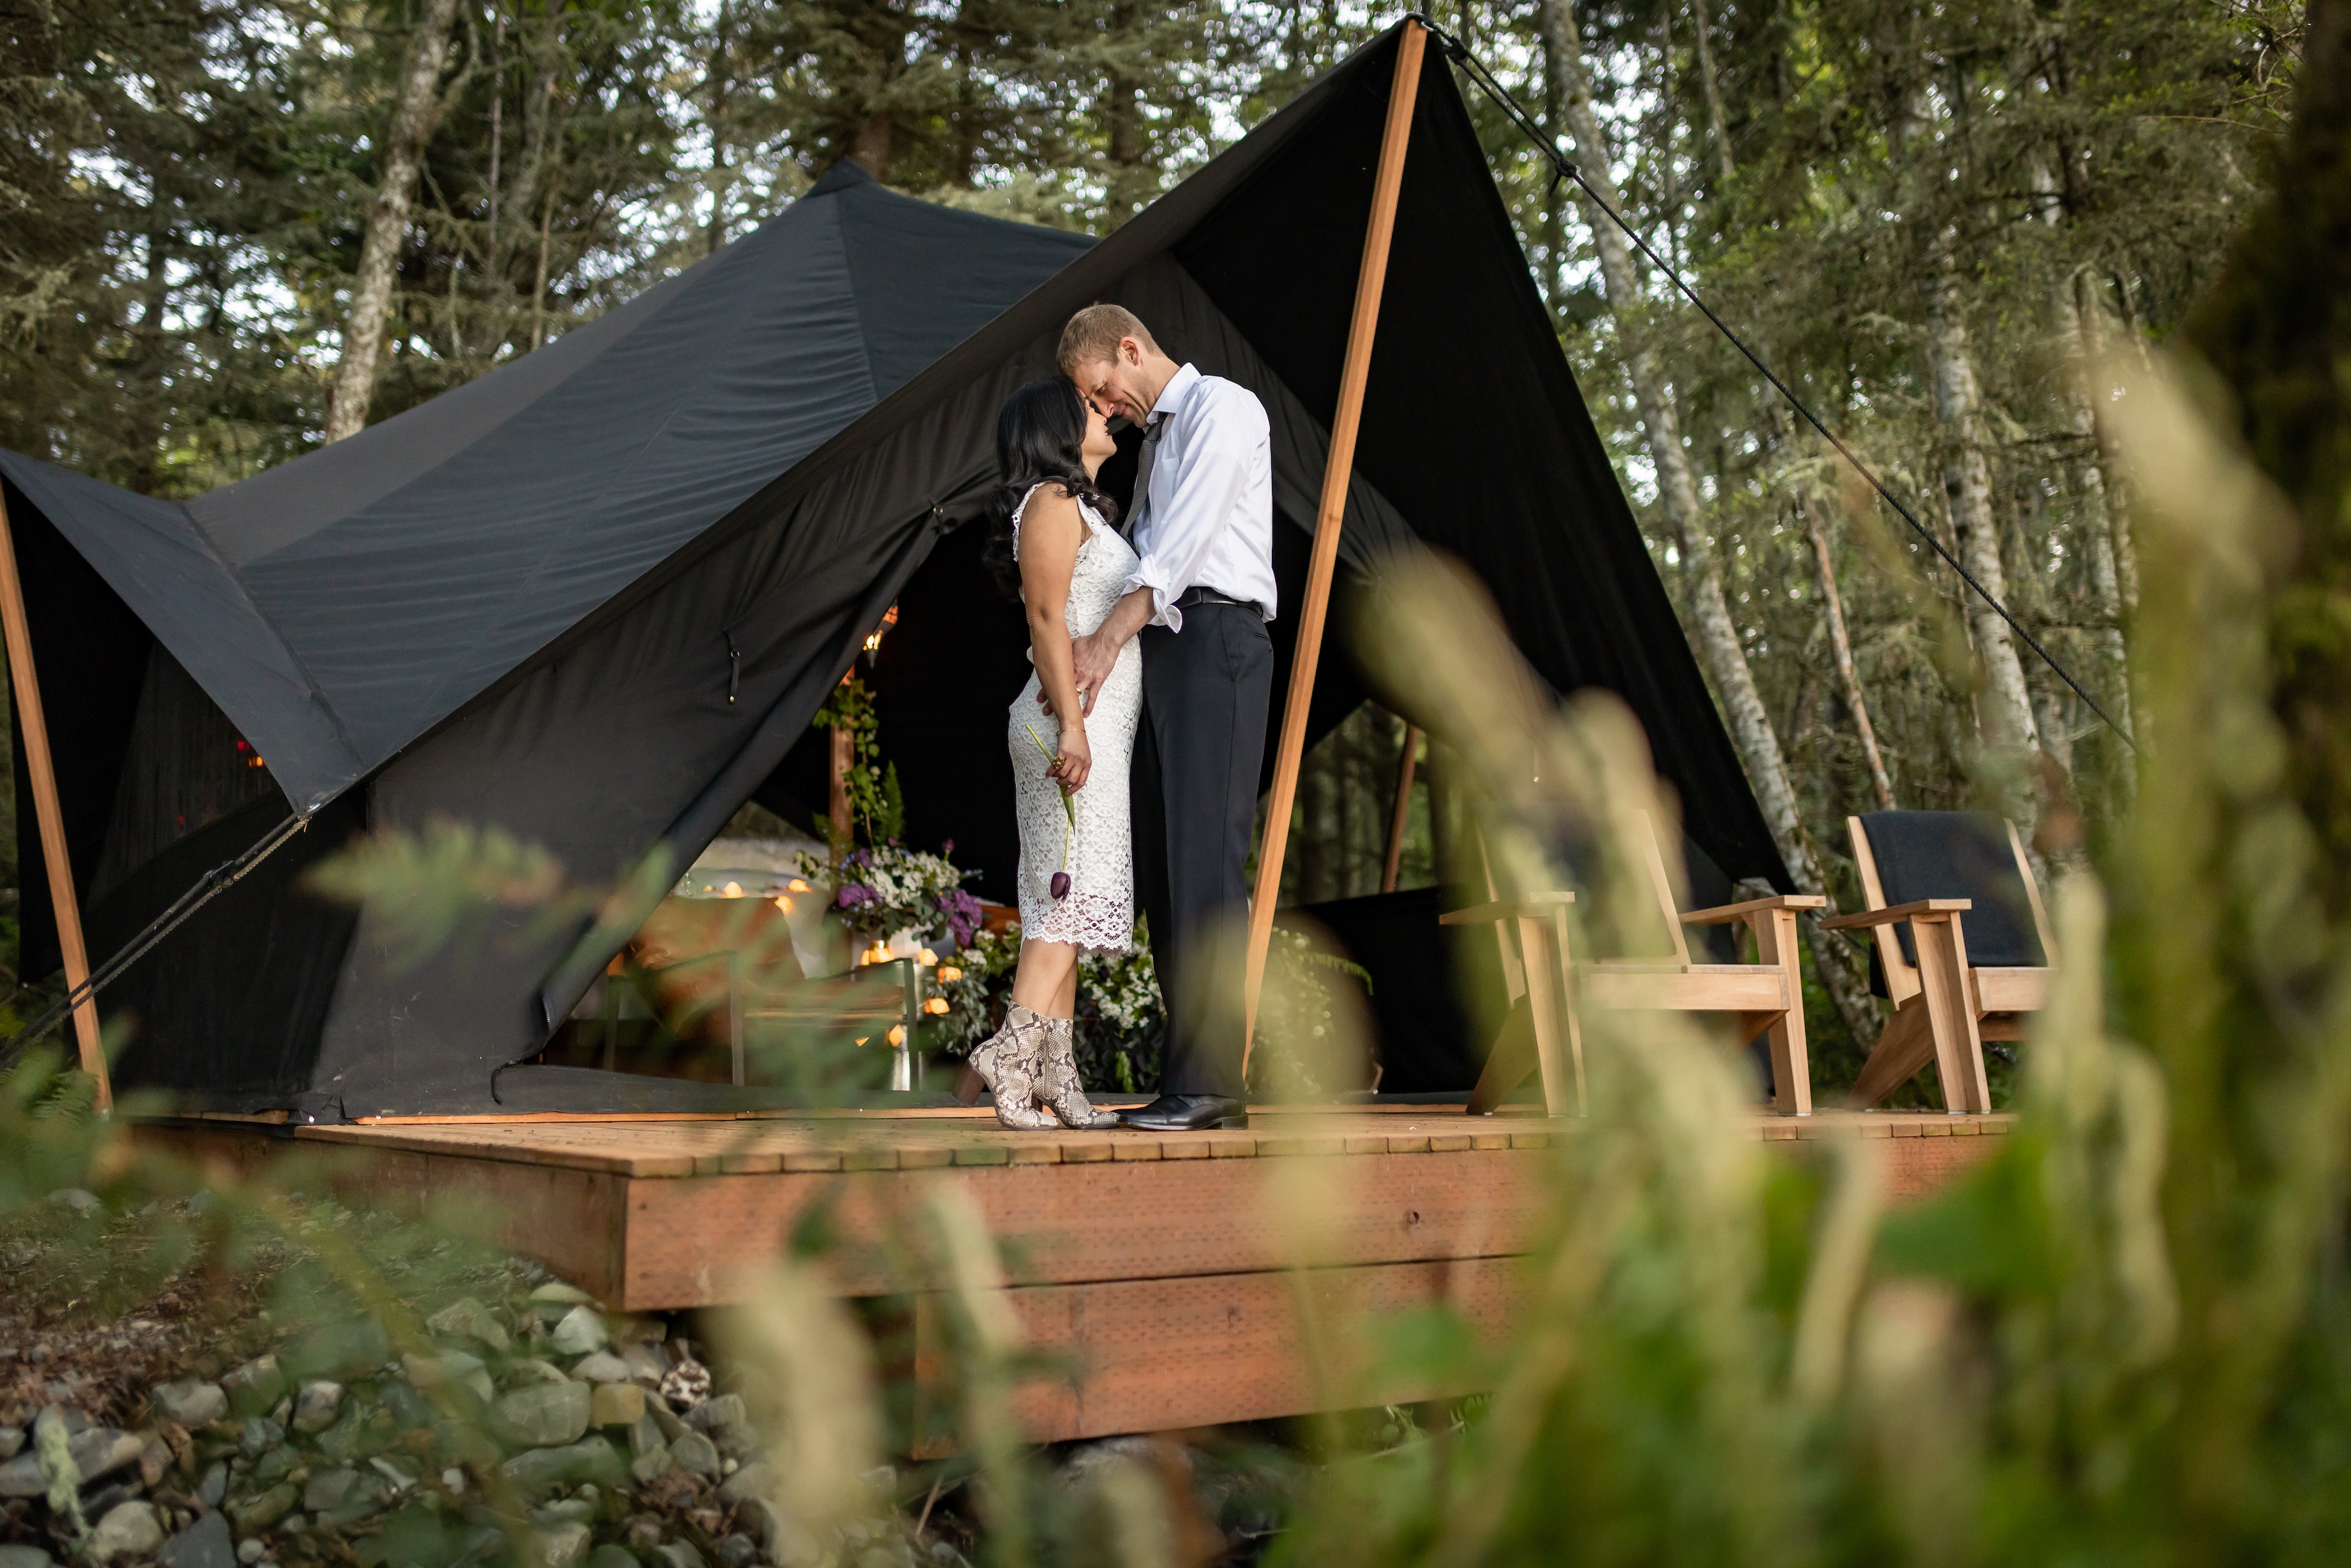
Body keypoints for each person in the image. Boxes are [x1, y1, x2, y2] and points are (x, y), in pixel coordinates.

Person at [1054, 304, 1276, 1133]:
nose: (1107, 410)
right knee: (1171, 865)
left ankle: (1214, 1082)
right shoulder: (1158, 445)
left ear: (1130, 348)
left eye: (1103, 392)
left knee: (1208, 862)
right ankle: (1187, 1078)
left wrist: (1105, 642)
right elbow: (1140, 547)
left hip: (1217, 637)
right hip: (1169, 652)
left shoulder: (1224, 408)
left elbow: (1178, 550)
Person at [963, 376, 1138, 1130]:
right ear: (1057, 428)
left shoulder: (1081, 507)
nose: (1105, 411)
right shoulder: (1050, 502)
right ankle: (1009, 1058)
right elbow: (1044, 614)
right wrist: (1071, 722)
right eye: (1090, 407)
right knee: (1066, 903)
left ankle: (1056, 1076)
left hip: (1095, 729)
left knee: (1071, 900)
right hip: (1069, 728)